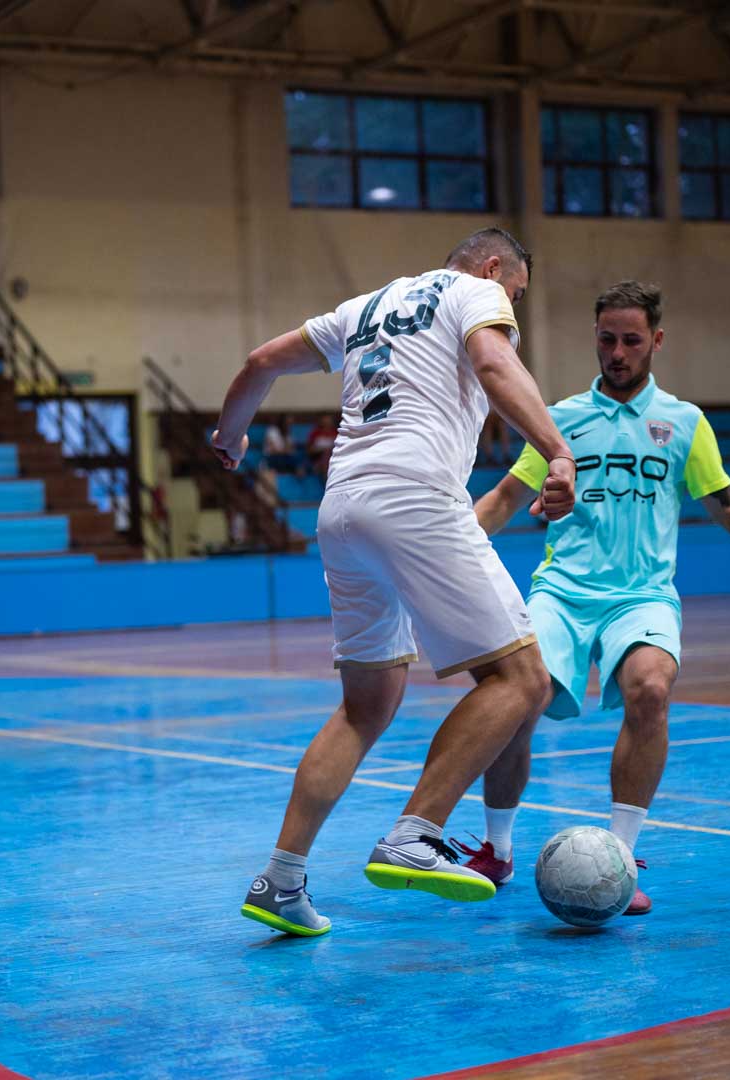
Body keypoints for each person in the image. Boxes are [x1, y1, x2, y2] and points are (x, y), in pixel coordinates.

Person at [210, 227, 575, 936]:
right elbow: (494, 363)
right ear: (493, 269)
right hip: (415, 495)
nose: (513, 308)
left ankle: (280, 879)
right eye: (516, 293)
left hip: (341, 510)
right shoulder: (473, 293)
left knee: (364, 706)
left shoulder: (362, 307)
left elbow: (260, 362)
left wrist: (230, 435)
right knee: (522, 680)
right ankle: (416, 831)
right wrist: (557, 452)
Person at [466, 282, 730, 916]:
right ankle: (497, 848)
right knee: (514, 701)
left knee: (652, 689)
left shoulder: (685, 423)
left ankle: (619, 857)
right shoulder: (560, 418)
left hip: (642, 596)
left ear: (656, 341)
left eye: (631, 341)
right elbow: (503, 499)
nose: (617, 352)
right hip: (562, 591)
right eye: (607, 339)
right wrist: (441, 553)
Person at [305, 414, 338, 481]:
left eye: (328, 420)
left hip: (334, 457)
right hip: (317, 458)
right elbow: (309, 450)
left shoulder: (336, 432)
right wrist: (321, 450)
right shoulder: (315, 433)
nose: (326, 422)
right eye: (324, 420)